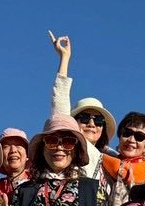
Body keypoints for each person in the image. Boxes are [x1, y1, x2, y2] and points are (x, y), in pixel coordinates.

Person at [48, 32, 114, 177]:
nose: (91, 124)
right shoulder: (68, 153)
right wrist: (65, 58)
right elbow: (60, 105)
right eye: (84, 118)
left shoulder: (111, 161)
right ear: (74, 122)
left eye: (98, 120)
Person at [96, 111, 145, 206]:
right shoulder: (103, 164)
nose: (131, 140)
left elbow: (120, 170)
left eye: (139, 137)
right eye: (127, 133)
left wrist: (98, 154)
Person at [0, 129, 30, 199]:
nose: (13, 150)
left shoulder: (41, 185)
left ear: (27, 155)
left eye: (19, 145)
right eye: (6, 146)